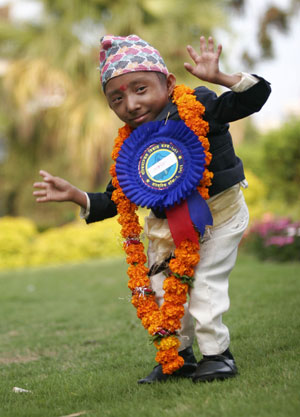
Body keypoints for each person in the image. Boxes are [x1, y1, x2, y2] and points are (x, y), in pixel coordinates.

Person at [33, 34, 271, 384]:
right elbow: (117, 199)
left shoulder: (199, 104)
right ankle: (177, 356)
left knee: (203, 285)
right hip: (166, 230)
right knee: (162, 290)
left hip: (219, 215)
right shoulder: (130, 145)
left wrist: (221, 79)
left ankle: (218, 356)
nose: (130, 104)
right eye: (117, 98)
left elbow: (255, 97)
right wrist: (77, 196)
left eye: (140, 89)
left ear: (169, 82)